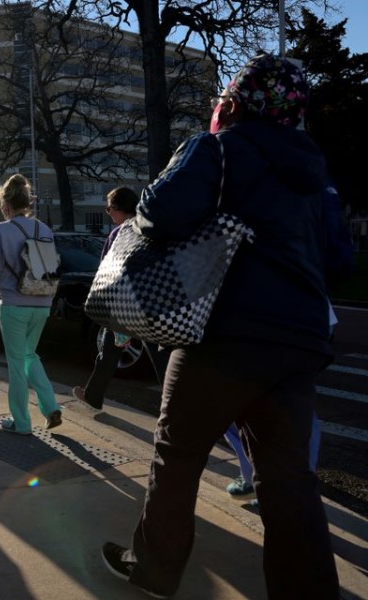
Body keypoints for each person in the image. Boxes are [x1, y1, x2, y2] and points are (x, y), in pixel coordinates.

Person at [101, 54, 340, 599]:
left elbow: (160, 212)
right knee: (289, 480)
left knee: (178, 451)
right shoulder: (313, 171)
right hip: (298, 342)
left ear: (235, 100)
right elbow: (338, 259)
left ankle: (155, 570)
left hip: (222, 334)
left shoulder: (219, 149)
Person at [0, 173, 62, 434]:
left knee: (17, 364)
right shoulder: (44, 229)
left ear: (6, 205)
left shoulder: (2, 230)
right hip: (42, 304)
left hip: (14, 306)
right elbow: (51, 268)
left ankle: (21, 422)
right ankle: (51, 406)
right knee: (30, 355)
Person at [72, 187, 138, 412]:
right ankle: (176, 405)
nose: (108, 213)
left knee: (109, 353)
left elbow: (105, 271)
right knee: (160, 357)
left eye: (109, 209)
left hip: (122, 308)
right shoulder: (149, 229)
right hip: (148, 305)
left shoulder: (118, 234)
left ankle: (93, 396)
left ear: (117, 209)